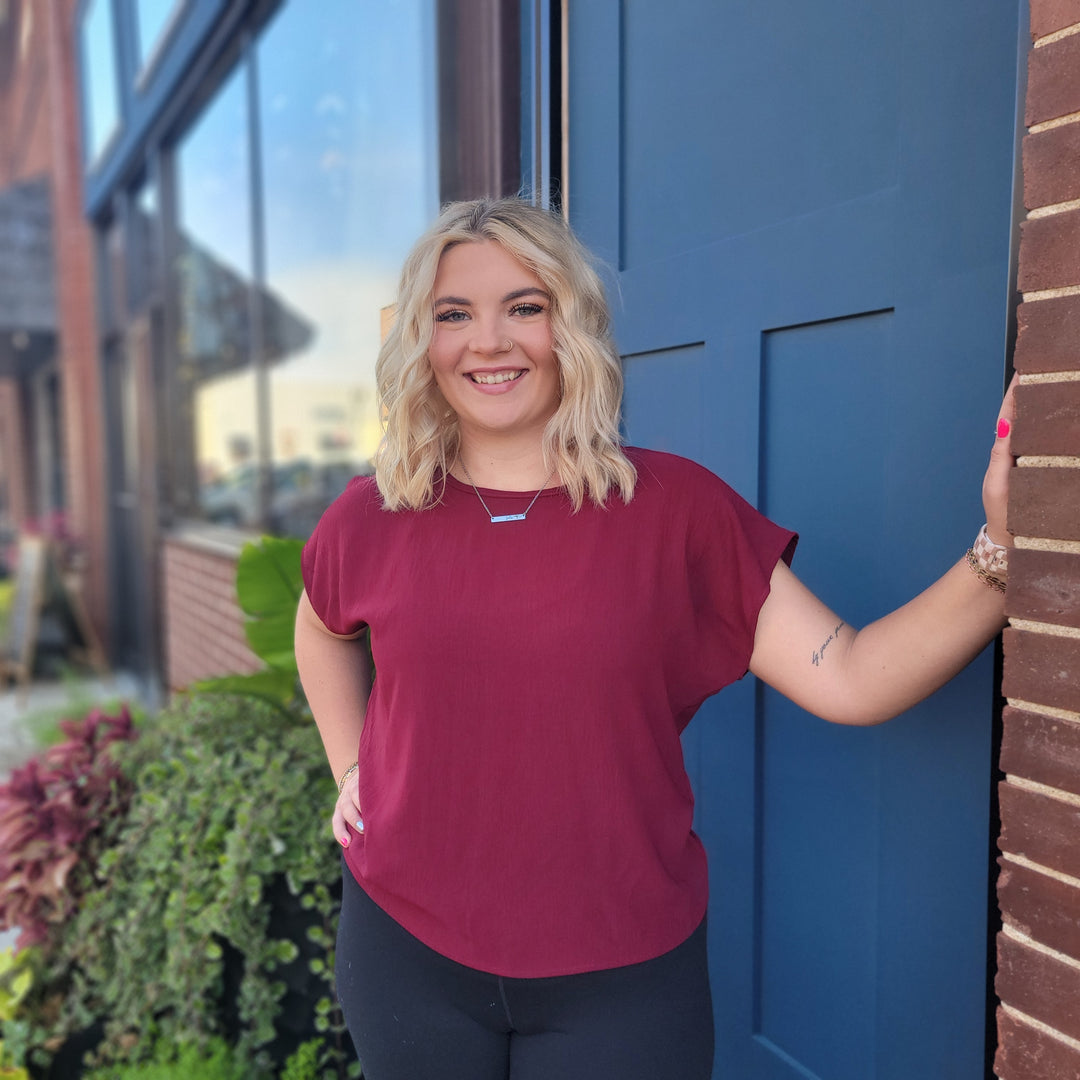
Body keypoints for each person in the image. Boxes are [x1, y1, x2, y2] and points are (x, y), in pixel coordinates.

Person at [295, 197, 1015, 1080]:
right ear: (422, 340)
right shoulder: (372, 514)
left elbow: (854, 678)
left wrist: (1002, 553)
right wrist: (351, 768)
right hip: (403, 949)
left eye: (525, 306)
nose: (487, 341)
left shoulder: (675, 513)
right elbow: (321, 626)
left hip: (620, 975)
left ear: (573, 326)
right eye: (454, 314)